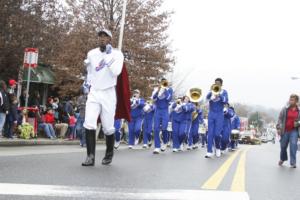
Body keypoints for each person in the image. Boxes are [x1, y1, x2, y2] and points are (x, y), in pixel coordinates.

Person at [81, 28, 125, 166]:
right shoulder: (92, 53)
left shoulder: (117, 54)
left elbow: (116, 71)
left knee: (108, 127)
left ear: (110, 39)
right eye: (100, 36)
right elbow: (91, 72)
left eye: (105, 36)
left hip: (108, 92)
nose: (102, 38)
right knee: (89, 122)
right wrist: (87, 83)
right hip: (94, 92)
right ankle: (90, 156)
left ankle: (109, 154)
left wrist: (107, 57)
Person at [205, 78, 229, 158]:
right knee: (210, 133)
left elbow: (225, 100)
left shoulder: (224, 92)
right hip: (211, 113)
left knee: (217, 134)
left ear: (221, 84)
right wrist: (211, 93)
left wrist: (219, 94)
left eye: (218, 83)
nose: (217, 84)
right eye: (216, 83)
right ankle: (209, 151)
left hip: (219, 114)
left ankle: (218, 148)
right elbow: (207, 98)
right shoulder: (211, 91)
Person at [276, 94, 300, 168]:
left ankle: (293, 162)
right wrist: (278, 128)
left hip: (294, 131)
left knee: (293, 145)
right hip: (285, 130)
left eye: (292, 100)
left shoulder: (299, 110)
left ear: (296, 101)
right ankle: (282, 159)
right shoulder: (285, 109)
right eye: (290, 99)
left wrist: (298, 123)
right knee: (283, 146)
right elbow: (280, 118)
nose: (290, 101)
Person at [152, 78, 173, 154]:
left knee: (164, 128)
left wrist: (165, 90)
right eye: (162, 82)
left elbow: (169, 99)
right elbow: (153, 98)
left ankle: (165, 141)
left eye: (164, 82)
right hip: (157, 110)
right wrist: (158, 91)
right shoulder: (156, 89)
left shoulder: (169, 89)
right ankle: (157, 147)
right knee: (156, 128)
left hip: (165, 111)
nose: (163, 84)